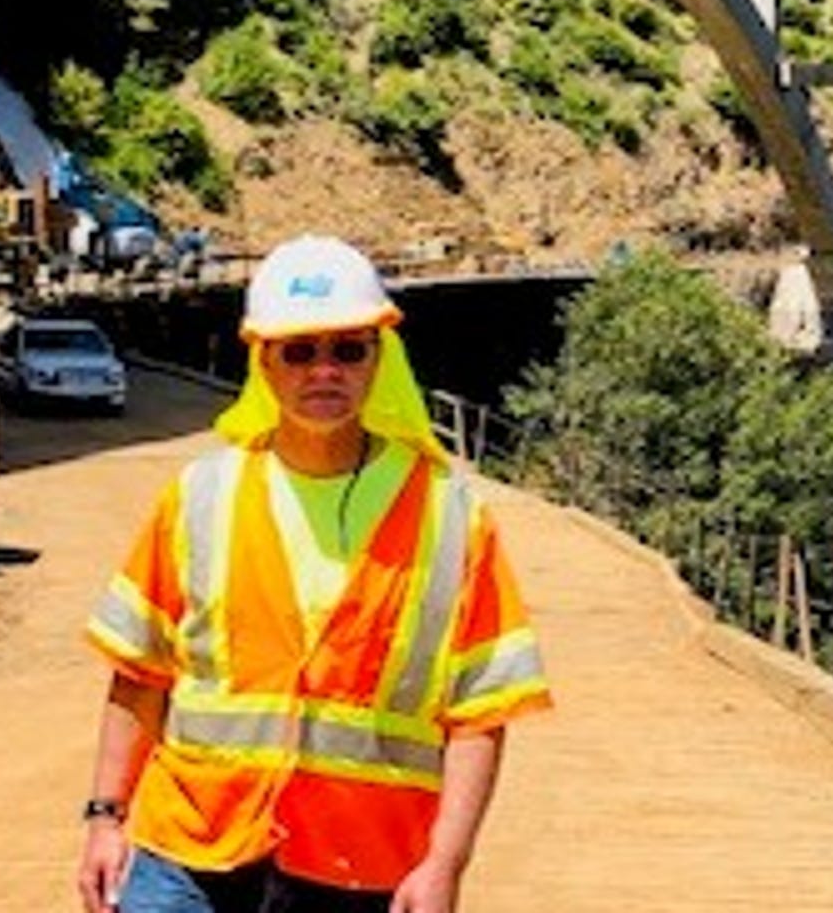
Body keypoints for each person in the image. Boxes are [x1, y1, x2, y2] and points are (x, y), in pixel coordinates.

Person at [77, 235, 550, 913]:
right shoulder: (201, 496)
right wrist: (104, 816)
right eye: (299, 351)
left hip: (361, 862)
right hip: (186, 846)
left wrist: (446, 864)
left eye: (347, 349)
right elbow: (140, 672)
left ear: (378, 356)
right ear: (263, 362)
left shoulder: (449, 519)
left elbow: (479, 711)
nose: (324, 370)